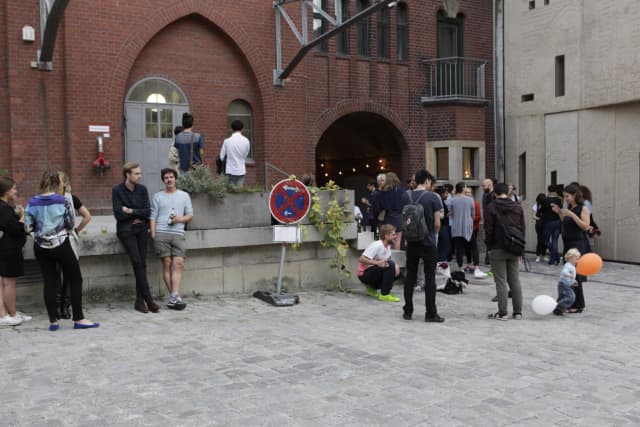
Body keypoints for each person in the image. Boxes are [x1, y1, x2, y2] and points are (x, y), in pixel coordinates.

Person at [25, 171, 99, 331]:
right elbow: (71, 224)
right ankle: (79, 318)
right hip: (61, 244)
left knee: (49, 282)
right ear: (57, 184)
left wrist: (38, 233)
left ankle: (53, 321)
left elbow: (27, 226)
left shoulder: (32, 202)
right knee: (75, 279)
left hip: (40, 246)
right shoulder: (63, 200)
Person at [112, 163, 160, 314]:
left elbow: (147, 212)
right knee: (137, 262)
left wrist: (131, 211)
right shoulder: (117, 190)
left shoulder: (142, 189)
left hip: (141, 229)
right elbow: (119, 214)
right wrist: (135, 215)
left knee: (142, 264)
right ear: (127, 174)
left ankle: (140, 301)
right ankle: (149, 300)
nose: (140, 176)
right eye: (136, 173)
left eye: (140, 173)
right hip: (126, 230)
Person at [401, 169, 444, 323]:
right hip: (428, 242)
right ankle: (430, 313)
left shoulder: (406, 195)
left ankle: (408, 310)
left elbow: (403, 219)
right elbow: (437, 223)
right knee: (429, 277)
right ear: (427, 181)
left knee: (410, 276)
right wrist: (433, 233)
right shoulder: (433, 197)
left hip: (411, 242)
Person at [150, 168, 193, 310]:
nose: (169, 180)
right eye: (166, 177)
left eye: (171, 177)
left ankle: (174, 296)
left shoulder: (184, 196)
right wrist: (153, 234)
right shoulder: (157, 196)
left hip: (178, 233)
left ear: (176, 179)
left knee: (179, 263)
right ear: (163, 180)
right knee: (167, 262)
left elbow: (190, 215)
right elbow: (153, 216)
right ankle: (174, 296)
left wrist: (179, 219)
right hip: (162, 233)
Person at [485, 183, 525, 320]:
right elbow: (522, 228)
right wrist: (521, 249)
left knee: (501, 281)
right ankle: (518, 312)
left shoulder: (491, 207)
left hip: (498, 247)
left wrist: (489, 247)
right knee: (515, 280)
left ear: (495, 193)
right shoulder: (517, 207)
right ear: (508, 193)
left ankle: (503, 313)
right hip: (514, 247)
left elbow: (489, 229)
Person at [55, 171, 92, 320]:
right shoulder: (48, 199)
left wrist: (76, 230)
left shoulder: (72, 198)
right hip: (53, 241)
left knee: (70, 275)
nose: (56, 184)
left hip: (69, 240)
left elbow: (87, 216)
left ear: (65, 183)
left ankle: (66, 306)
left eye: (59, 181)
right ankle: (58, 306)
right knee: (56, 273)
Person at [551, 183, 591, 313]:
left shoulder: (582, 208)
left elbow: (585, 226)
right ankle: (569, 301)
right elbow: (565, 224)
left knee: (575, 275)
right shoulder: (568, 208)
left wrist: (572, 215)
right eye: (564, 197)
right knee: (568, 274)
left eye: (567, 196)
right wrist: (559, 213)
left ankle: (578, 304)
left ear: (574, 195)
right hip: (568, 243)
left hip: (578, 244)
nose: (565, 199)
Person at [0, 176, 30, 327]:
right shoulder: (4, 208)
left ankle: (7, 313)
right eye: (13, 188)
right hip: (9, 249)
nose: (15, 191)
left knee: (3, 283)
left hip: (4, 249)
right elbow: (16, 229)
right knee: (9, 283)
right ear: (5, 191)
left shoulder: (4, 207)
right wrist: (22, 216)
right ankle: (10, 314)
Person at [357, 224, 401, 302]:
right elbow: (361, 259)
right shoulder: (377, 245)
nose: (396, 237)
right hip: (364, 274)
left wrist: (395, 266)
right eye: (393, 235)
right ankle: (384, 294)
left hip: (374, 272)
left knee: (396, 270)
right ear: (386, 236)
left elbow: (386, 263)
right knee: (390, 265)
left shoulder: (388, 247)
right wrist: (377, 263)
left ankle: (372, 287)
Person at [449, 182, 475, 273]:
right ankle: (469, 264)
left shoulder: (453, 200)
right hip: (467, 226)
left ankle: (460, 267)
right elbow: (473, 214)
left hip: (456, 226)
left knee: (458, 248)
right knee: (469, 246)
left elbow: (451, 214)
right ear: (463, 188)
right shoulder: (470, 199)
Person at [464, 186, 487, 278]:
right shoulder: (463, 203)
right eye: (466, 192)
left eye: (469, 192)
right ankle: (469, 263)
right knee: (466, 247)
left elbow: (478, 216)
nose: (467, 194)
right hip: (464, 229)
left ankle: (476, 265)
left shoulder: (475, 203)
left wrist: (468, 220)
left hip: (473, 228)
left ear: (472, 194)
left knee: (473, 246)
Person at [220, 120, 251, 189]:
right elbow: (246, 154)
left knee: (230, 193)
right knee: (239, 193)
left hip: (230, 170)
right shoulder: (246, 141)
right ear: (242, 129)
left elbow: (221, 157)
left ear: (232, 129)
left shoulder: (227, 141)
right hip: (241, 169)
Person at [379, 172, 404, 249]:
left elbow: (382, 205)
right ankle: (396, 259)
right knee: (397, 240)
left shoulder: (383, 192)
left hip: (388, 217)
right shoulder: (401, 190)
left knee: (387, 241)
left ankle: (387, 258)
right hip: (399, 217)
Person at [553, 248, 581, 316]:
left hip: (565, 284)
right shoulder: (568, 265)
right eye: (576, 258)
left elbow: (571, 277)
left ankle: (558, 309)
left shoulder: (571, 266)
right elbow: (564, 272)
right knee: (571, 296)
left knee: (562, 297)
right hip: (564, 284)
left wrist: (573, 281)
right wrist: (569, 275)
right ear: (571, 258)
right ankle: (559, 306)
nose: (578, 260)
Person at [543, 185, 562, 265]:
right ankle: (554, 258)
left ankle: (555, 256)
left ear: (549, 191)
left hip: (548, 222)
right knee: (555, 240)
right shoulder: (559, 200)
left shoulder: (546, 200)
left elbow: (543, 211)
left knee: (546, 240)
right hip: (557, 221)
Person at [481, 178, 496, 266]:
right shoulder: (485, 194)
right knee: (488, 241)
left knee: (490, 240)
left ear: (490, 185)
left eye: (484, 186)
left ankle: (490, 259)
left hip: (491, 223)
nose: (482, 188)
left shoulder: (492, 195)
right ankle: (489, 259)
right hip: (487, 222)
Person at [532, 193, 548, 262]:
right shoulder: (536, 205)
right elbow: (533, 216)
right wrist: (540, 218)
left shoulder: (547, 205)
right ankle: (538, 255)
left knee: (545, 240)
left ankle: (544, 255)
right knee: (540, 240)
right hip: (539, 225)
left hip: (546, 225)